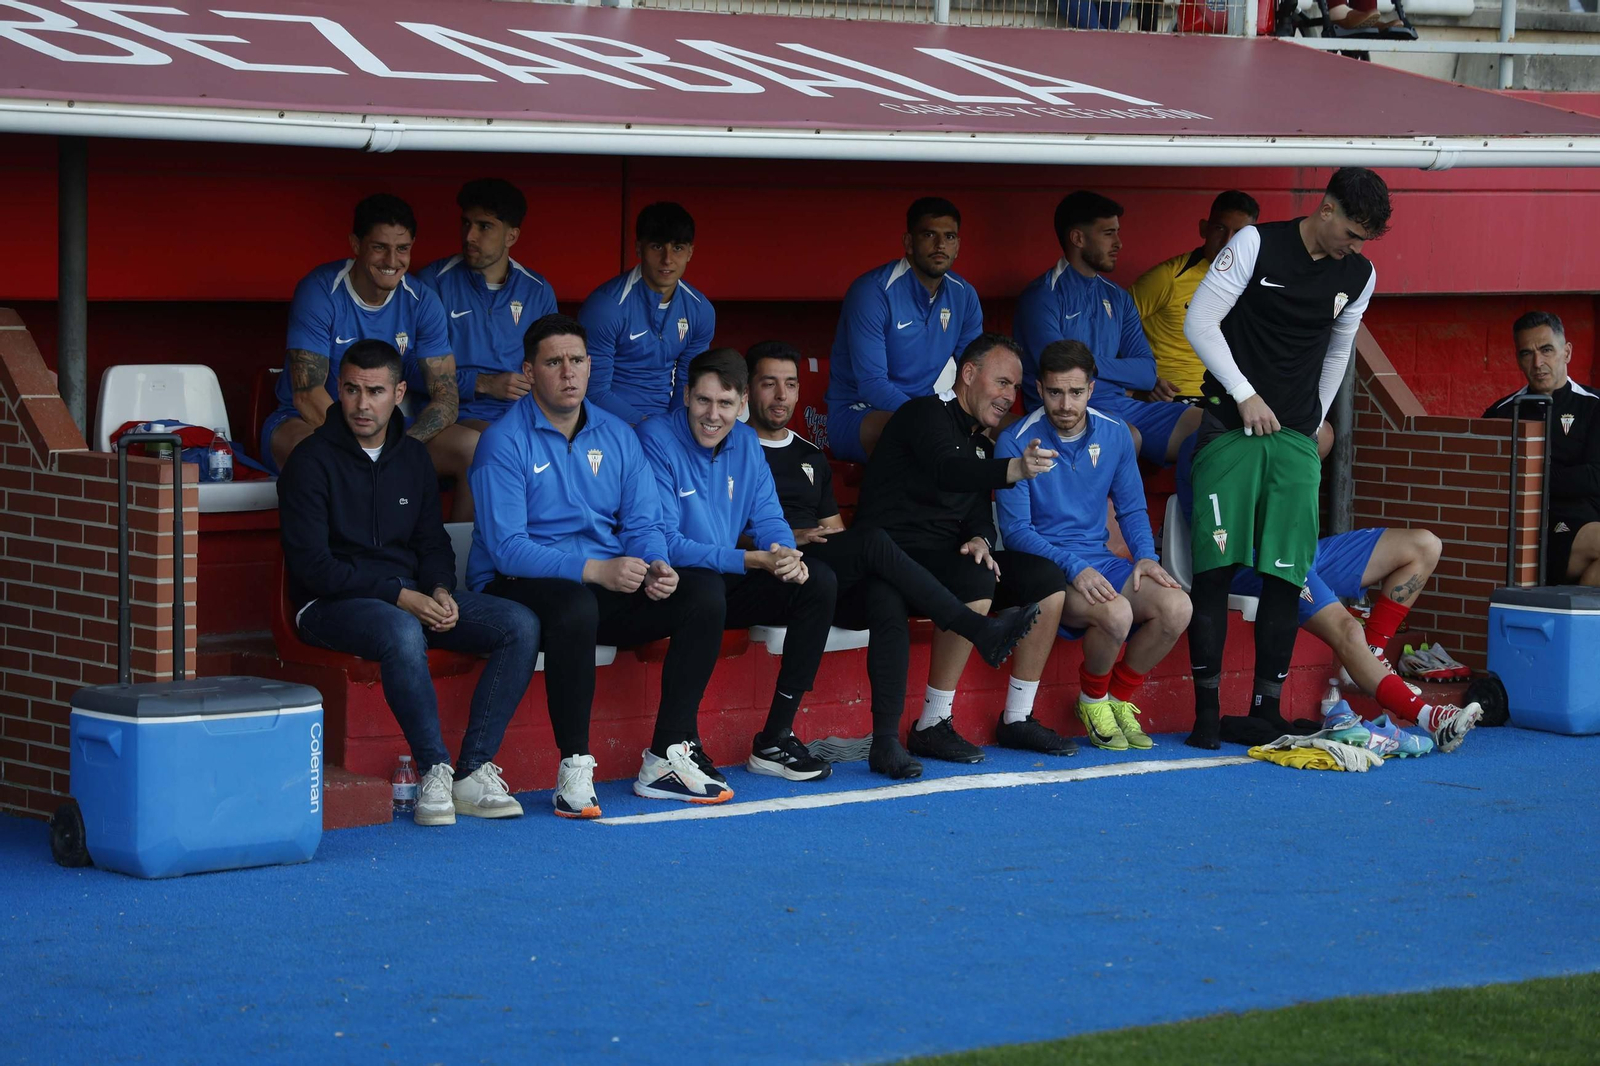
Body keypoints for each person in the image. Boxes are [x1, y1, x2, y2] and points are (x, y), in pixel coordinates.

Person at [468, 314, 731, 815]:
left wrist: (654, 562)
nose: (568, 373)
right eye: (553, 362)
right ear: (529, 370)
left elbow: (643, 521)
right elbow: (507, 549)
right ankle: (573, 766)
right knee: (575, 605)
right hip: (516, 584)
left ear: (591, 367)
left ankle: (666, 756)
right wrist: (595, 570)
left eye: (577, 361)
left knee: (702, 593)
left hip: (598, 582)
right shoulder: (502, 441)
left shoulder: (617, 434)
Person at [745, 341, 1044, 779]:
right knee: (873, 544)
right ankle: (977, 629)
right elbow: (720, 527)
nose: (781, 395)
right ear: (748, 390)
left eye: (790, 384)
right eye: (768, 384)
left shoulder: (810, 454)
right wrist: (789, 536)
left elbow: (834, 530)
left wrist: (979, 536)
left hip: (821, 569)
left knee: (884, 591)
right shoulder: (733, 448)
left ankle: (884, 744)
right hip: (765, 567)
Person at [278, 340, 540, 826]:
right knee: (401, 630)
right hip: (328, 604)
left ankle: (472, 769)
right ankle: (433, 769)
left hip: (410, 596)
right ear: (339, 388)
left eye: (375, 391)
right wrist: (401, 596)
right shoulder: (309, 460)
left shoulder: (413, 457)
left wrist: (440, 589)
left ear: (399, 392)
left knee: (518, 624)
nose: (361, 404)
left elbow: (432, 543)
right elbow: (314, 567)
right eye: (352, 389)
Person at [1180, 166, 1390, 749]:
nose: (1355, 246)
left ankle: (1264, 711)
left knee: (1284, 576)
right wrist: (1245, 396)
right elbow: (1200, 321)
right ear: (1326, 209)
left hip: (1293, 440)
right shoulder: (1256, 243)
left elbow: (1338, 351)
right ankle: (1204, 713)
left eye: (1363, 240)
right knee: (1215, 572)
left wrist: (1307, 423)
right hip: (1229, 427)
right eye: (1351, 231)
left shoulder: (1360, 273)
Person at [854, 333, 1072, 763]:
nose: (1011, 396)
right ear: (968, 375)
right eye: (1003, 382)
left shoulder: (980, 441)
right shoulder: (922, 414)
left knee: (1045, 577)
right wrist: (1014, 468)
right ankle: (932, 723)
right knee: (974, 578)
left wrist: (980, 538)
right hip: (892, 557)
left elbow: (974, 507)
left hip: (944, 556)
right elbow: (948, 470)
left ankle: (1018, 717)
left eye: (1015, 387)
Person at [636, 348, 839, 782]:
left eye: (726, 404)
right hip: (672, 581)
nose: (713, 415)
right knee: (706, 591)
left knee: (817, 581)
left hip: (724, 575)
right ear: (686, 395)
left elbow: (767, 516)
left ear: (742, 404)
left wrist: (785, 554)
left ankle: (775, 738)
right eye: (704, 401)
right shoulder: (655, 437)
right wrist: (751, 559)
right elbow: (667, 542)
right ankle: (675, 746)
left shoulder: (745, 441)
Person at [996, 341, 1192, 751]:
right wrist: (1073, 567)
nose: (1065, 404)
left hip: (1101, 561)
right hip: (1046, 570)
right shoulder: (1016, 440)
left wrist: (1145, 558)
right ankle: (1093, 699)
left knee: (1177, 607)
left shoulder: (1115, 432)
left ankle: (1114, 698)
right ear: (1038, 388)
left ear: (1091, 388)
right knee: (1117, 614)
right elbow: (1016, 532)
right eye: (1054, 392)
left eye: (1076, 392)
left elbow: (1133, 507)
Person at [1229, 526, 1482, 751]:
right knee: (1349, 629)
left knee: (1425, 545)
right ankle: (1431, 719)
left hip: (1305, 549)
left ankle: (1372, 655)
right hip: (1263, 559)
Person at [264, 194, 458, 474]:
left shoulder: (423, 301)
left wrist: (400, 446)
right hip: (306, 421)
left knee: (471, 448)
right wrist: (362, 450)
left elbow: (446, 399)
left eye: (402, 248)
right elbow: (307, 395)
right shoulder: (320, 291)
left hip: (388, 427)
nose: (392, 260)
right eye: (379, 247)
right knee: (316, 457)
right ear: (356, 244)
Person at [1013, 191, 1199, 465]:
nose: (1119, 243)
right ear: (1078, 238)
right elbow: (1061, 371)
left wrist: (1092, 365)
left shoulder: (1117, 297)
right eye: (1108, 234)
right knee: (1127, 436)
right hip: (1068, 412)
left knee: (1209, 426)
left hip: (1124, 407)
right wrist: (1122, 378)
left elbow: (1147, 373)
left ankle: (1196, 509)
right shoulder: (1042, 296)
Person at [415, 178, 558, 521]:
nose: (469, 236)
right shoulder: (433, 282)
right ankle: (463, 566)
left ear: (511, 236)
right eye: (466, 223)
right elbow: (404, 371)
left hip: (521, 419)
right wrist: (481, 383)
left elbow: (555, 366)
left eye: (484, 227)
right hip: (451, 417)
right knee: (496, 448)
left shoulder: (538, 291)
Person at [825, 197, 984, 463]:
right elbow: (872, 385)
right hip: (860, 412)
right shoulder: (873, 291)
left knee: (1010, 432)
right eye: (929, 234)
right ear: (909, 242)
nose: (940, 245)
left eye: (950, 236)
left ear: (958, 246)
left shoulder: (964, 295)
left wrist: (977, 413)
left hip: (925, 410)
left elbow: (977, 373)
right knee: (920, 436)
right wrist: (938, 418)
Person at [1483, 310, 1600, 586]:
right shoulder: (1501, 413)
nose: (1538, 362)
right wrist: (1571, 477)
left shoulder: (1594, 405)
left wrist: (1535, 477)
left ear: (1566, 352)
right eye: (1527, 353)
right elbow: (1494, 483)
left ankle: (1570, 627)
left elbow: (1597, 476)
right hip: (1536, 531)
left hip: (1589, 520)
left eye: (1547, 350)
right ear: (1518, 359)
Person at [577, 202, 714, 424]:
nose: (667, 259)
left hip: (667, 422)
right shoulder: (606, 306)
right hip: (606, 422)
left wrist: (675, 427)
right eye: (657, 247)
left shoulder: (700, 310)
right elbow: (593, 391)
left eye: (677, 248)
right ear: (639, 248)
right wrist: (650, 427)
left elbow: (689, 386)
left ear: (690, 252)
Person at [1131, 191, 1260, 403]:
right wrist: (1144, 380)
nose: (1228, 241)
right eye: (1220, 228)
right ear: (1204, 229)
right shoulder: (1167, 277)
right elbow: (1111, 331)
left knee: (1319, 432)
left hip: (1235, 393)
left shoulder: (1257, 282)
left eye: (1238, 233)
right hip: (1177, 394)